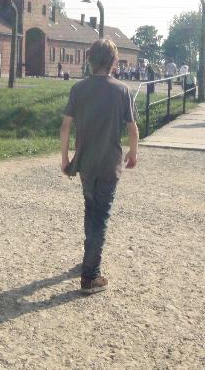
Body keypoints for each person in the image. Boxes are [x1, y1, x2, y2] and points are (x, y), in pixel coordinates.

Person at [60, 39, 139, 295]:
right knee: (101, 217)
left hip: (85, 162)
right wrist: (133, 152)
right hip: (109, 162)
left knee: (90, 209)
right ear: (114, 62)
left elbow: (66, 126)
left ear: (89, 60)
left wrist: (65, 157)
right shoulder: (122, 90)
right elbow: (132, 128)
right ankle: (90, 276)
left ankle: (88, 259)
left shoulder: (78, 89)